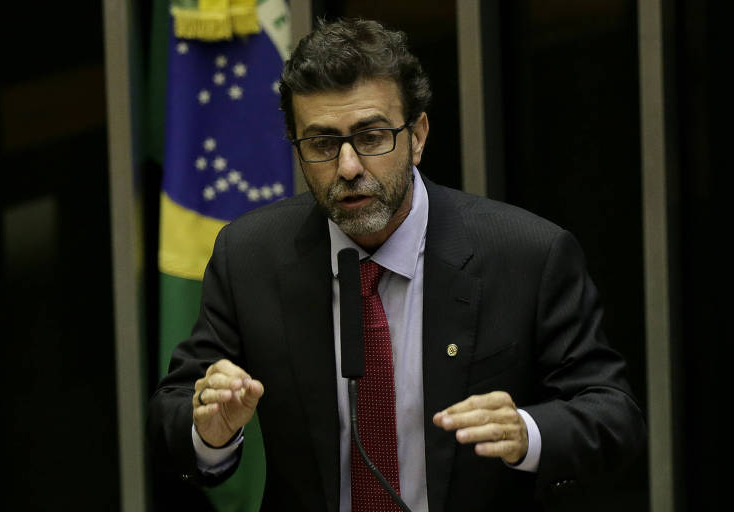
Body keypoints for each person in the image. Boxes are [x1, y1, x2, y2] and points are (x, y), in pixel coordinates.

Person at [148, 18, 645, 511]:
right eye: (322, 144)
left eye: (371, 136)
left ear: (418, 135)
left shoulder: (526, 253)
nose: (348, 167)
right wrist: (209, 431)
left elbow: (612, 416)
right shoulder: (251, 255)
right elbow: (174, 407)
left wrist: (527, 432)